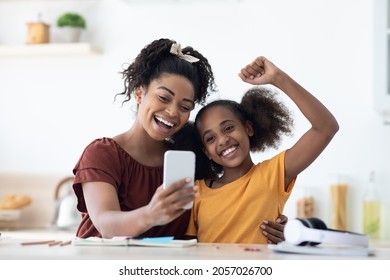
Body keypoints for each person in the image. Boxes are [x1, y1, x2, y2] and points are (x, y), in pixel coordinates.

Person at [72, 39, 286, 241]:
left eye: (185, 107)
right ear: (139, 93)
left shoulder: (190, 160)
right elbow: (105, 224)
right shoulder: (103, 153)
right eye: (164, 98)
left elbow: (225, 205)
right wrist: (150, 214)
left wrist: (272, 223)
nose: (173, 112)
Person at [185, 56, 339, 244]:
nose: (223, 140)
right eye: (211, 138)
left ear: (248, 128)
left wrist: (278, 78)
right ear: (206, 151)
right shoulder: (196, 192)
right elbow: (187, 250)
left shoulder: (272, 175)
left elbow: (326, 127)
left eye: (228, 128)